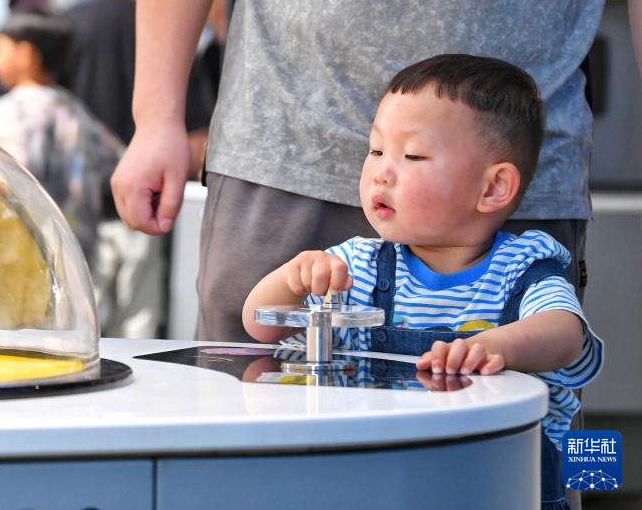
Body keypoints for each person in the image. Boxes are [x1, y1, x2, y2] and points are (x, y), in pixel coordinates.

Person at [112, 0, 642, 344]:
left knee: (503, 392)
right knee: (252, 387)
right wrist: (155, 119)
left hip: (506, 186)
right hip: (287, 156)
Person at [243, 54, 603, 510]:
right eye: (376, 150)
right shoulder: (357, 264)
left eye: (412, 156)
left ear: (493, 188)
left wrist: (491, 347)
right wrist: (292, 277)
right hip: (377, 483)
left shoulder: (521, 266)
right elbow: (259, 326)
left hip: (500, 488)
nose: (381, 171)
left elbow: (565, 335)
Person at [62, 0, 216, 337]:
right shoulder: (173, 40)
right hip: (147, 210)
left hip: (74, 213)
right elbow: (197, 137)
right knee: (138, 331)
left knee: (77, 330)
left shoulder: (69, 26)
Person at [0, 9, 124, 286]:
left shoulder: (10, 110)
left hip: (24, 254)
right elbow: (117, 160)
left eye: (0, 50)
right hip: (79, 255)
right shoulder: (75, 108)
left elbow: (0, 183)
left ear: (26, 55)